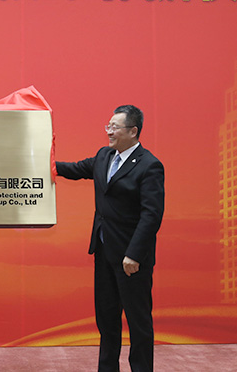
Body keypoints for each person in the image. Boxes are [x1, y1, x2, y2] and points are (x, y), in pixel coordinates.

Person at [56, 105, 164, 372]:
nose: (109, 132)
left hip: (131, 259)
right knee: (106, 320)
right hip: (104, 251)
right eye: (108, 126)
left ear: (133, 131)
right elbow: (75, 169)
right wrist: (43, 164)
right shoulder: (104, 156)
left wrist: (134, 254)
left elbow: (151, 215)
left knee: (138, 322)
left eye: (115, 127)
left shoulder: (149, 165)